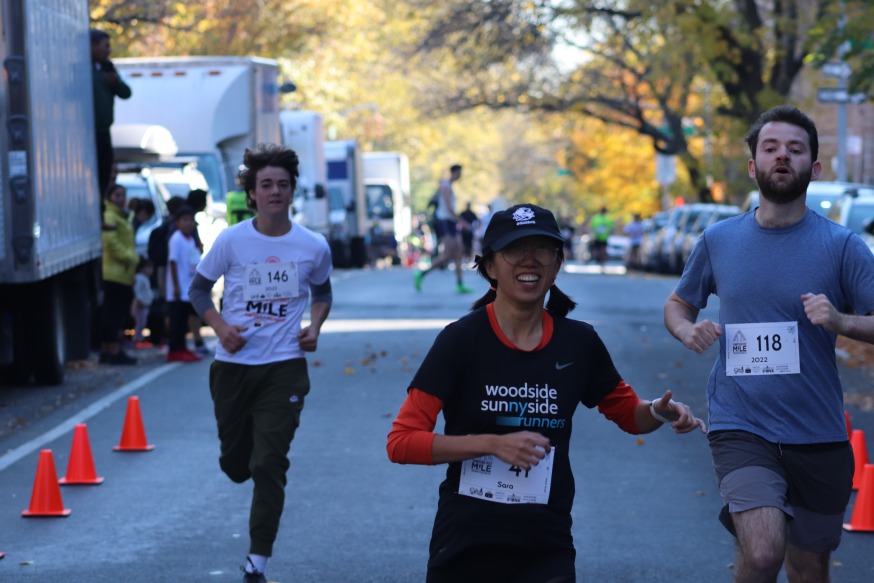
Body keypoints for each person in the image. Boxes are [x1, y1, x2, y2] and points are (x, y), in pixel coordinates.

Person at [388, 203, 706, 582]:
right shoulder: (460, 340)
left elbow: (629, 415)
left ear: (556, 266)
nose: (530, 260)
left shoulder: (579, 342)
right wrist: (492, 444)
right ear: (490, 267)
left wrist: (658, 411)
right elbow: (402, 442)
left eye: (542, 249)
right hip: (466, 538)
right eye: (514, 249)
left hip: (545, 542)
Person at [663, 105, 874, 583]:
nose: (782, 156)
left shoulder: (842, 245)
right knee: (761, 553)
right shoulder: (719, 239)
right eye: (771, 148)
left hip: (817, 431)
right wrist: (685, 330)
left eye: (795, 150)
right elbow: (678, 304)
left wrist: (840, 320)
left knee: (809, 568)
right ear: (753, 165)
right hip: (741, 425)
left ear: (814, 169)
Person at [189, 143, 333, 583]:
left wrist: (314, 326)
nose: (274, 192)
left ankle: (257, 563)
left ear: (292, 191)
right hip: (233, 368)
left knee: (268, 463)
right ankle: (237, 461)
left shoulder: (312, 245)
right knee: (238, 467)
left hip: (284, 367)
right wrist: (220, 327)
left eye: (282, 185)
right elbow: (198, 290)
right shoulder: (231, 240)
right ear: (251, 193)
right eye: (266, 185)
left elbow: (322, 292)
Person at [414, 164, 472, 294]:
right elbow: (449, 208)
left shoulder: (449, 185)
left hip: (451, 222)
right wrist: (462, 221)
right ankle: (421, 274)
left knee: (459, 253)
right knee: (447, 255)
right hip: (445, 222)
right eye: (459, 173)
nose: (460, 175)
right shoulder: (446, 186)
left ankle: (460, 284)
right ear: (455, 172)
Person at [99, 184, 139, 365]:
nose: (121, 198)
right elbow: (111, 243)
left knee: (116, 313)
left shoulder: (121, 215)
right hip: (114, 272)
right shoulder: (110, 215)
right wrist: (132, 258)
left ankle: (110, 349)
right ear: (109, 197)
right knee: (114, 314)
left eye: (123, 195)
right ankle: (112, 350)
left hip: (122, 273)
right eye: (117, 195)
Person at [91, 29, 131, 199]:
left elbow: (126, 93)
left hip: (104, 130)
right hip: (88, 131)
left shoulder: (107, 68)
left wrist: (115, 83)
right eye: (105, 46)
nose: (108, 50)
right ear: (92, 46)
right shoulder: (83, 69)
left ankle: (101, 201)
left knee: (104, 171)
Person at [166, 205, 202, 363]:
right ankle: (174, 350)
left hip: (188, 286)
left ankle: (182, 347)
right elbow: (173, 262)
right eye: (184, 220)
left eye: (191, 220)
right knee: (177, 321)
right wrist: (175, 286)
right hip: (178, 288)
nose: (188, 223)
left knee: (183, 321)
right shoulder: (176, 239)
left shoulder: (191, 239)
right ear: (177, 222)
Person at [131, 256, 155, 347]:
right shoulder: (140, 278)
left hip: (144, 305)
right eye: (148, 267)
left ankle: (140, 338)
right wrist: (139, 300)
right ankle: (136, 340)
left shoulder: (145, 278)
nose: (151, 270)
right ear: (142, 268)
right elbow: (137, 290)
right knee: (139, 323)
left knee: (143, 322)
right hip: (140, 304)